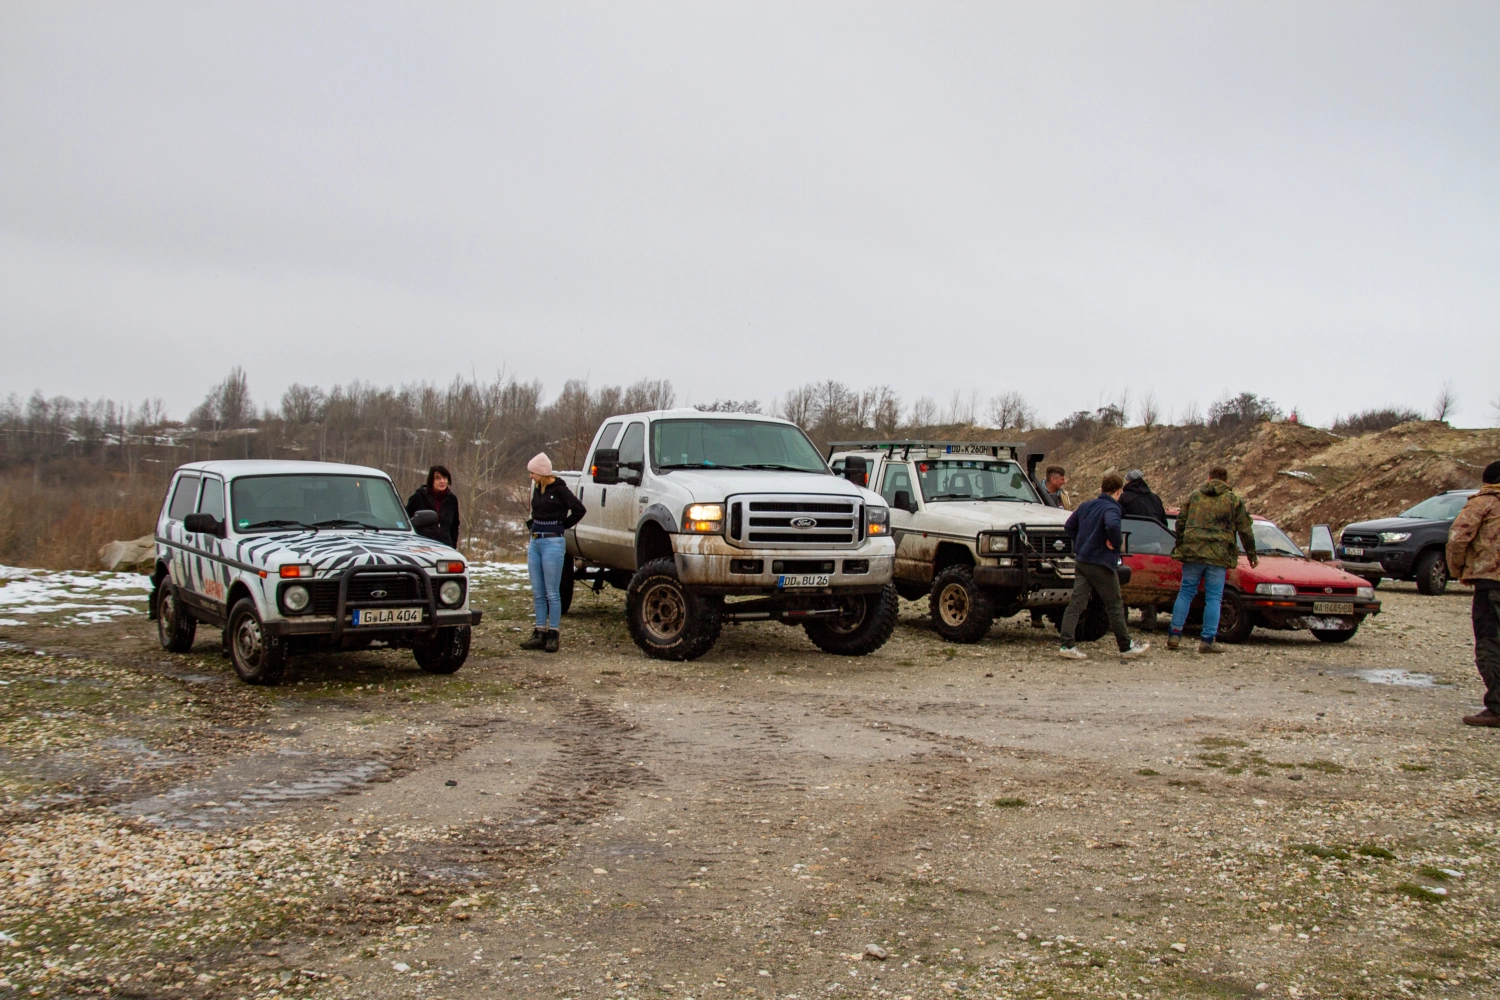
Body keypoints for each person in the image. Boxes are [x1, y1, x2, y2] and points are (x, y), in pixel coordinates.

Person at [1058, 472, 1149, 660]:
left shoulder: (1086, 505)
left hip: (1082, 560)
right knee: (1114, 604)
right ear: (1119, 492)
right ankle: (1125, 646)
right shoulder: (1112, 508)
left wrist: (1081, 542)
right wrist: (1114, 543)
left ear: (1101, 489)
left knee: (1076, 603)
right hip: (1100, 562)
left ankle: (1067, 644)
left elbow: (1069, 526)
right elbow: (1113, 525)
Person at [1167, 465, 1257, 653]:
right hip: (1218, 554)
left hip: (1193, 552)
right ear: (1226, 481)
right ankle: (1207, 640)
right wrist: (1251, 555)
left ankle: (1174, 635)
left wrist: (1182, 543)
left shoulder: (1194, 496)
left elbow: (1180, 522)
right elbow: (1245, 530)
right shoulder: (1233, 500)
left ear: (1208, 479)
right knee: (1214, 597)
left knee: (1185, 593)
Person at [1447, 460, 1500, 727]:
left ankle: (1497, 707)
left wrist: (1457, 570)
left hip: (1491, 583)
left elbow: (1458, 538)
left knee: (1490, 643)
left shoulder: (1484, 503)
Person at [521, 452, 587, 653]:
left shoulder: (559, 490)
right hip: (536, 542)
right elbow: (536, 512)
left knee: (552, 592)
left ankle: (553, 634)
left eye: (533, 473)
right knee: (538, 592)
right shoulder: (538, 490)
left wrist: (562, 525)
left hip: (552, 542)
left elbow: (579, 509)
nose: (531, 476)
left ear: (542, 472)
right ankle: (539, 631)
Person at [1119, 469, 1168, 631]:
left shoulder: (1124, 498)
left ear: (1128, 482)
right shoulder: (1154, 498)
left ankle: (1121, 621)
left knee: (1123, 582)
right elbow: (1163, 523)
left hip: (1131, 544)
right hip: (1154, 546)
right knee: (1149, 582)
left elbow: (1119, 521)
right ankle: (1149, 622)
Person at [406, 465, 461, 548]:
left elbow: (454, 526)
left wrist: (452, 546)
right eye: (438, 478)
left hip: (445, 547)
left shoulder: (452, 500)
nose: (442, 481)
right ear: (431, 480)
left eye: (445, 478)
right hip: (421, 547)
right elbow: (406, 519)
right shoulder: (419, 497)